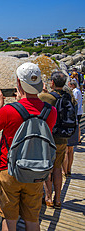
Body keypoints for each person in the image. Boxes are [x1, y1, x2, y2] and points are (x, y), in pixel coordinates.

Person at [0, 62, 57, 231]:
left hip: (8, 169)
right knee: (32, 220)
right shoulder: (51, 111)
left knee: (9, 220)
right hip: (36, 170)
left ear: (18, 84)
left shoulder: (9, 110)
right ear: (40, 84)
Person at [39, 71, 75, 209]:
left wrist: (44, 92)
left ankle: (48, 197)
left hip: (50, 138)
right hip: (63, 138)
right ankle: (58, 199)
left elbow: (37, 102)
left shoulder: (46, 97)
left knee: (48, 168)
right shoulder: (68, 96)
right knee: (58, 168)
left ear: (52, 83)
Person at [63, 79, 82, 177]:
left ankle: (64, 171)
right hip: (74, 126)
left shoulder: (64, 103)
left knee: (66, 151)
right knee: (71, 151)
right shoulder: (74, 102)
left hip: (66, 127)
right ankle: (69, 169)